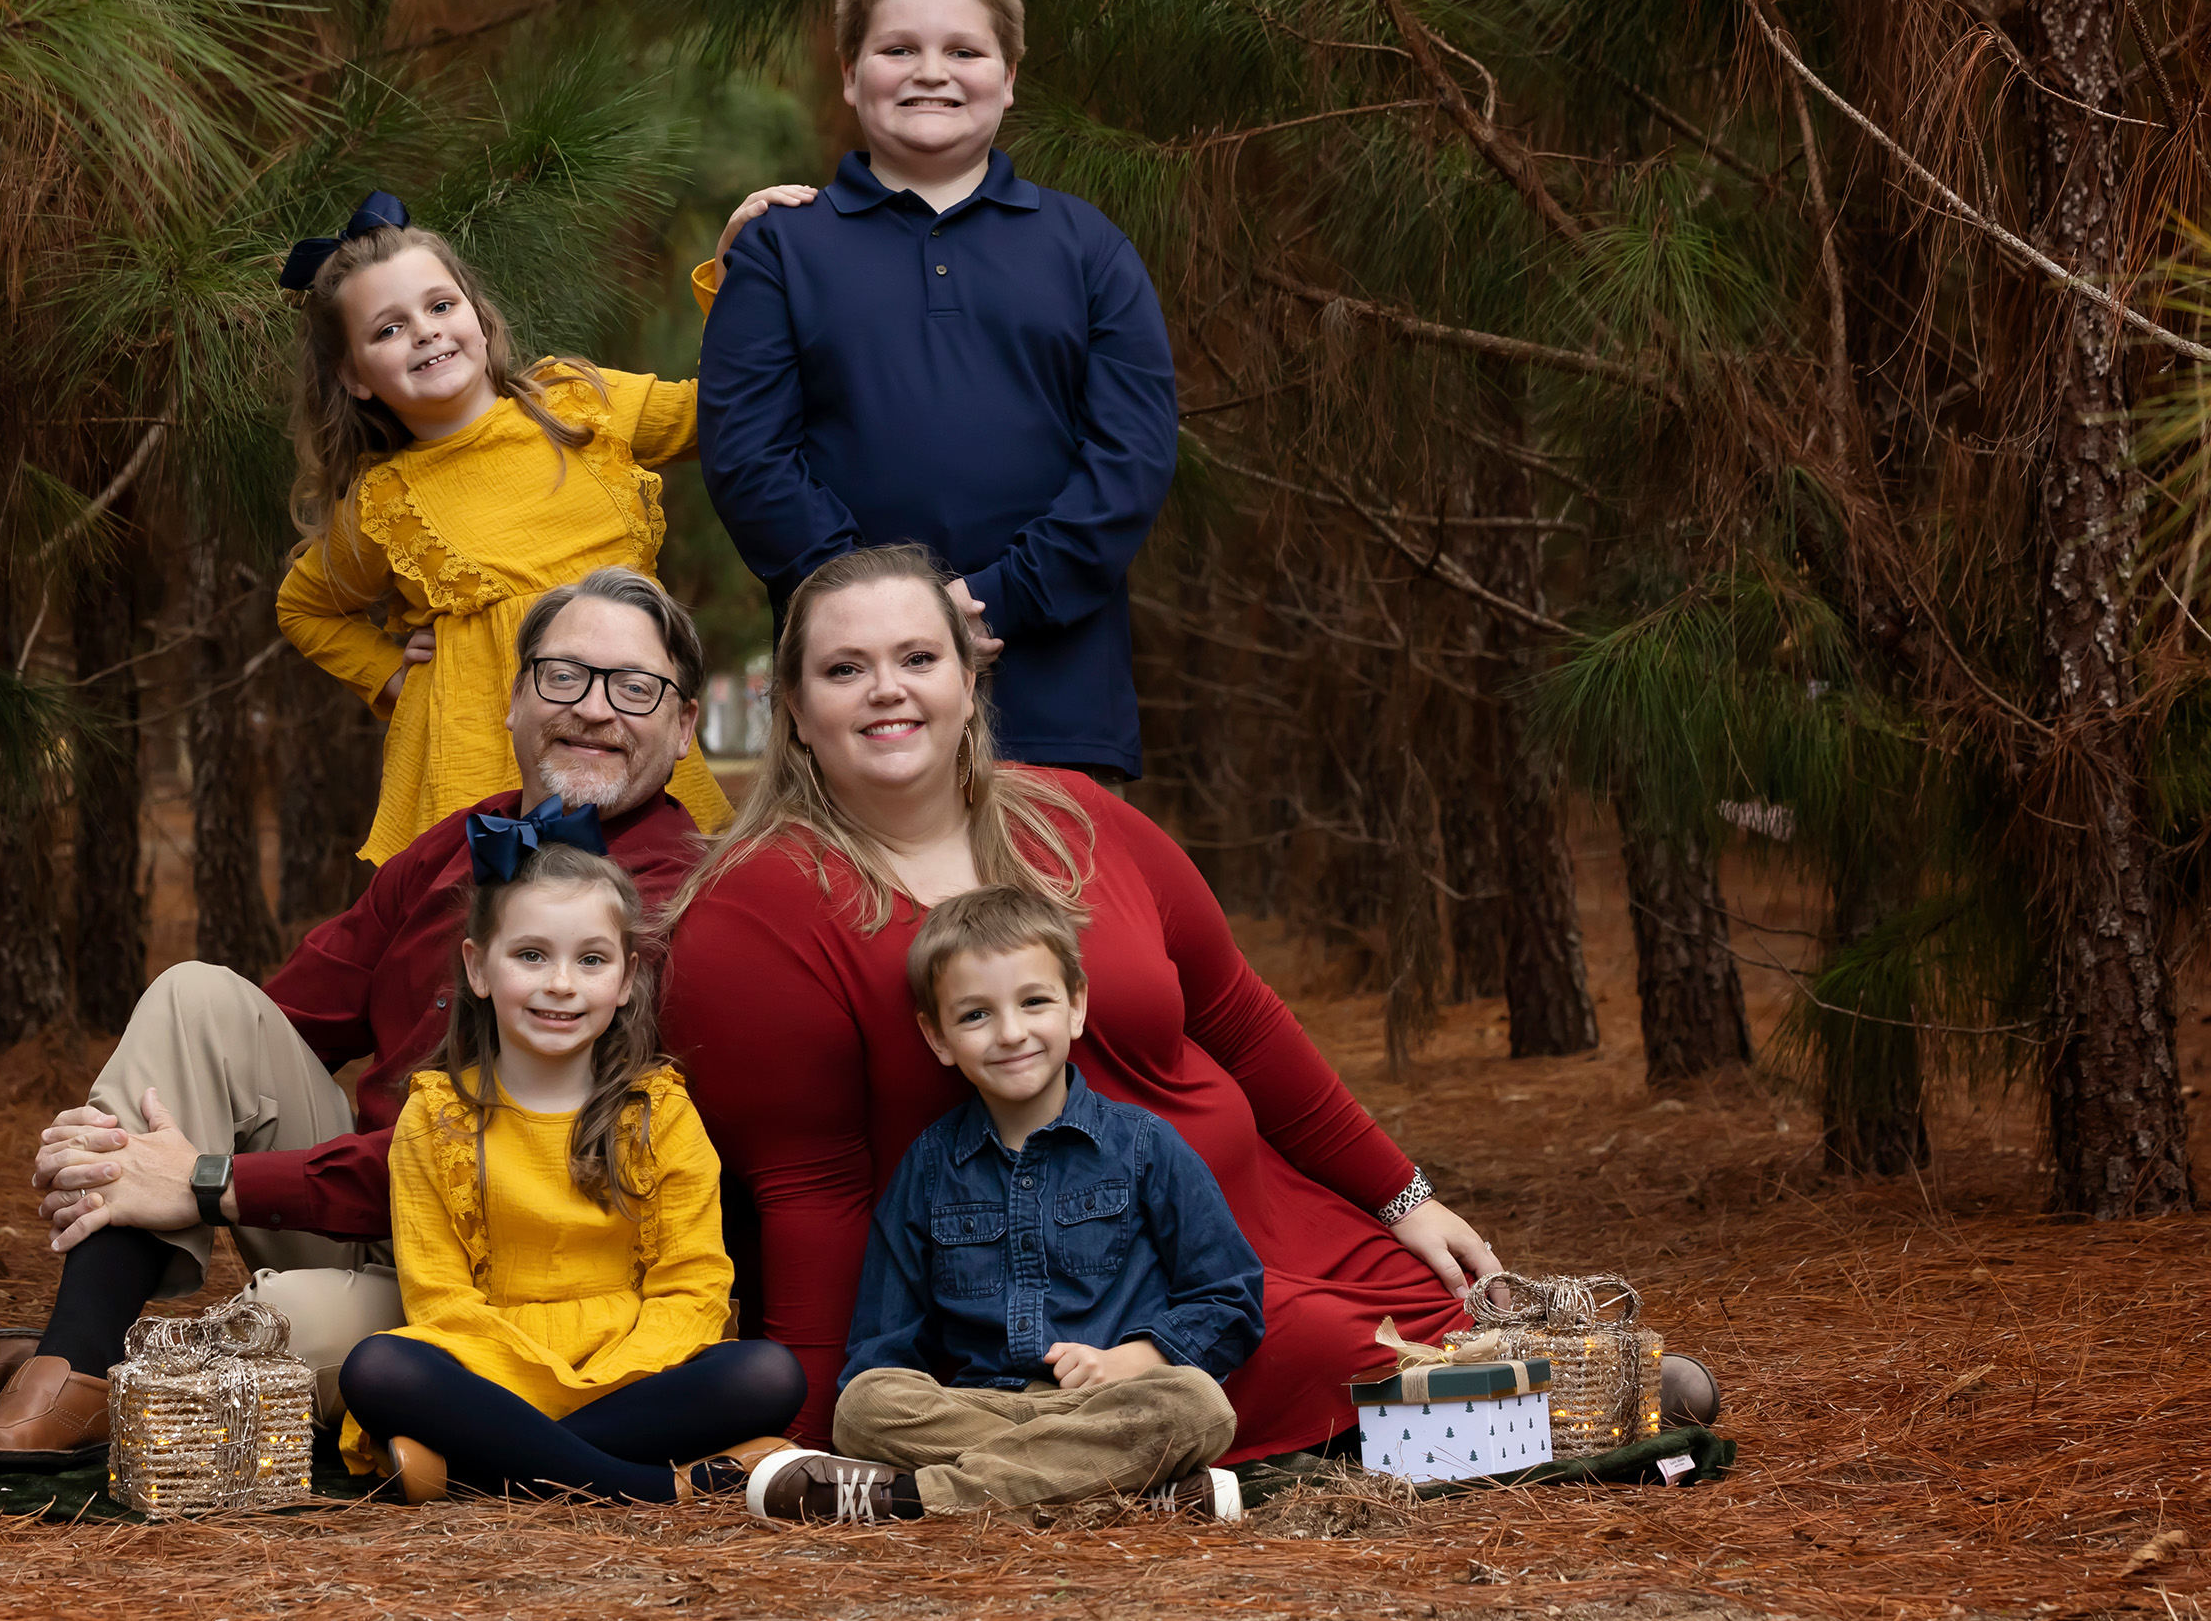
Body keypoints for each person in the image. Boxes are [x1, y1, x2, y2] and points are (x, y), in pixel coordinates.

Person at [664, 542, 1502, 1465]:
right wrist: (812, 1429)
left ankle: (1513, 1399)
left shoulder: (1076, 817)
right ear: (793, 706)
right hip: (1068, 1296)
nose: (886, 690)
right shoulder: (756, 911)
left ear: (968, 673)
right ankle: (1475, 1415)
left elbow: (1238, 1018)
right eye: (843, 669)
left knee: (1470, 1318)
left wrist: (1400, 1197)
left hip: (1262, 1220)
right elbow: (809, 1195)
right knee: (1344, 1361)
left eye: (916, 658)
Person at [0, 567, 714, 1477]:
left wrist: (210, 1181)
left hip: (509, 1287)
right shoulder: (457, 844)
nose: (592, 709)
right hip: (365, 1222)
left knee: (291, 1314)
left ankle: (113, 1363)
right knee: (195, 997)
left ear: (683, 724)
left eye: (635, 687)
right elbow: (267, 1024)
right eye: (562, 675)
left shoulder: (687, 903)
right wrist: (140, 1150)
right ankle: (79, 1359)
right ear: (515, 699)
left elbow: (498, 1151)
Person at [693, 0, 1177, 780]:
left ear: (1009, 74)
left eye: (963, 49)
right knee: (862, 913)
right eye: (897, 49)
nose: (931, 71)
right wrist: (880, 624)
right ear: (848, 74)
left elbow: (1129, 461)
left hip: (1052, 697)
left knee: (1043, 913)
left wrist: (992, 601)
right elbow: (747, 457)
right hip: (853, 700)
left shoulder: (1087, 247)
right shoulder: (780, 252)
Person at [747, 885, 1263, 1525]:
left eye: (1034, 1002)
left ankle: (911, 1500)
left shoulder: (1145, 1147)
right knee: (863, 1407)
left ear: (1075, 1007)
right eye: (975, 1015)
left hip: (1111, 1405)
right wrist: (893, 1397)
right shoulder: (930, 1168)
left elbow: (1231, 1295)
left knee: (1195, 1405)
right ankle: (1129, 1494)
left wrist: (1136, 1358)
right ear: (937, 1037)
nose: (1011, 1033)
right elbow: (884, 1348)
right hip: (977, 1406)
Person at [274, 191, 738, 863]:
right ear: (354, 376)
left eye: (439, 306)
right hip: (479, 770)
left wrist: (730, 278)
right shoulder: (386, 502)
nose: (425, 331)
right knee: (500, 945)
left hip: (629, 729)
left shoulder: (576, 405)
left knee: (666, 920)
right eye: (387, 329)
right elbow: (303, 606)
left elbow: (719, 411)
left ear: (478, 316)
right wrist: (390, 675)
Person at [335, 842, 805, 1505]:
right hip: (489, 1366)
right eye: (531, 956)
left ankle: (473, 1470)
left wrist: (608, 1374)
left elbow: (692, 1285)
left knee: (765, 1373)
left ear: (624, 979)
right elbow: (438, 1296)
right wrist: (539, 1381)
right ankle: (652, 1488)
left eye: (590, 960)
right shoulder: (435, 1117)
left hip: (635, 1370)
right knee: (380, 1368)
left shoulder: (660, 1112)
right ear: (477, 967)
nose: (561, 983)